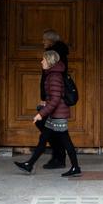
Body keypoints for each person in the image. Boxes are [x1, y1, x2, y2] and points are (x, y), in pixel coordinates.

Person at [14, 49, 81, 177]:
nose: (41, 61)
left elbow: (56, 99)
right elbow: (55, 96)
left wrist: (41, 114)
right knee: (43, 139)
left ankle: (76, 167)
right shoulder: (53, 74)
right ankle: (29, 164)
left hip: (58, 115)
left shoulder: (54, 76)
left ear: (49, 61)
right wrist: (46, 103)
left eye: (43, 59)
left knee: (66, 142)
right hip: (55, 114)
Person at [37, 30, 70, 169]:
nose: (43, 42)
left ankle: (59, 158)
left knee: (51, 130)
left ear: (50, 41)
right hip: (52, 97)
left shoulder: (53, 54)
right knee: (55, 132)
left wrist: (47, 99)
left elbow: (52, 80)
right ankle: (60, 158)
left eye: (44, 40)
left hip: (53, 98)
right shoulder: (57, 52)